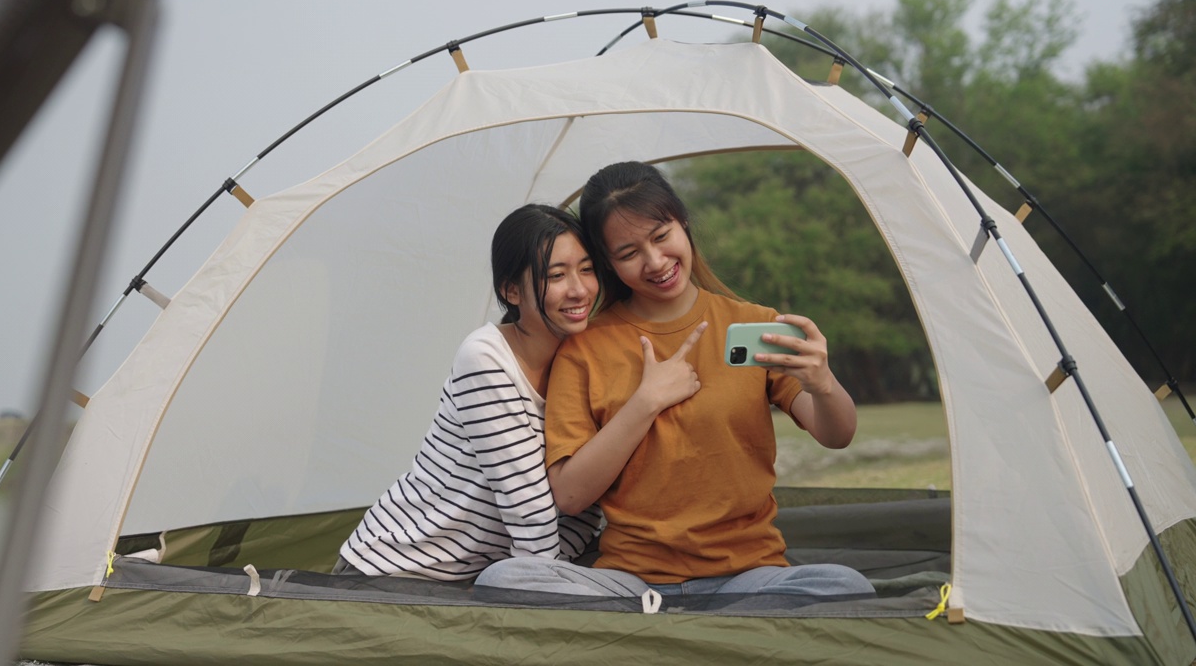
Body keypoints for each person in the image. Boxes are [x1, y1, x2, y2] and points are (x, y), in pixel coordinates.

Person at [476, 162, 874, 599]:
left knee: (844, 586)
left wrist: (823, 384)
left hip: (748, 576)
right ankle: (712, 634)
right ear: (607, 263)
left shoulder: (753, 324)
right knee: (505, 579)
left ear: (682, 223)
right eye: (628, 254)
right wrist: (645, 402)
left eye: (661, 236)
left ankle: (676, 636)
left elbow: (837, 435)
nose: (655, 262)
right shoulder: (584, 348)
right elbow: (569, 496)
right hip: (631, 584)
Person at [337, 204, 603, 580]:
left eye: (587, 269)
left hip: (480, 578)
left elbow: (584, 500)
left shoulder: (587, 357)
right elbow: (528, 510)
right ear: (512, 290)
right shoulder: (486, 358)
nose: (579, 290)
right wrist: (546, 591)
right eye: (556, 275)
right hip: (397, 571)